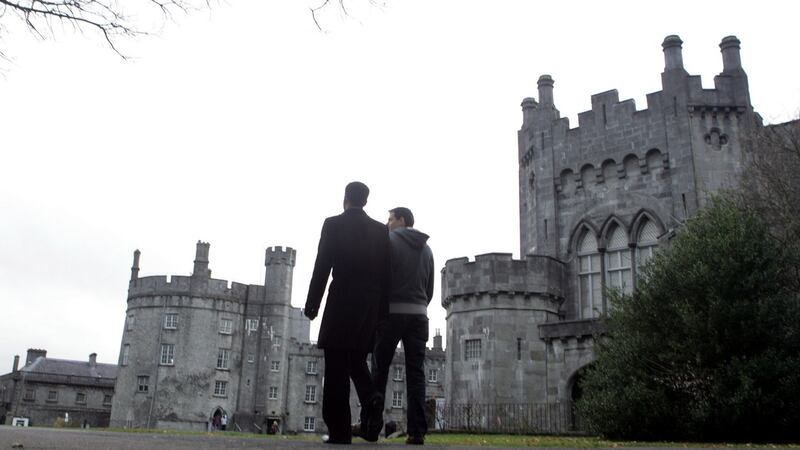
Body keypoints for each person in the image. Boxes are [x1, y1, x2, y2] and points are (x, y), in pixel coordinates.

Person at [304, 181, 389, 444]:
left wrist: (312, 305)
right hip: (369, 306)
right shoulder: (380, 231)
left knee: (337, 369)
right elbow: (387, 275)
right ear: (365, 200)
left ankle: (340, 432)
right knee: (355, 359)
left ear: (346, 199)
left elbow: (323, 265)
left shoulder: (333, 224)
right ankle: (371, 397)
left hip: (341, 301)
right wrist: (382, 315)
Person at [371, 207, 434, 446]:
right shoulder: (427, 249)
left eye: (390, 219)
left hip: (391, 313)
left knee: (380, 370)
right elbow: (429, 290)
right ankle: (417, 432)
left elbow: (380, 278)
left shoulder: (387, 241)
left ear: (402, 220)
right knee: (416, 374)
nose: (386, 223)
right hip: (419, 315)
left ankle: (371, 426)